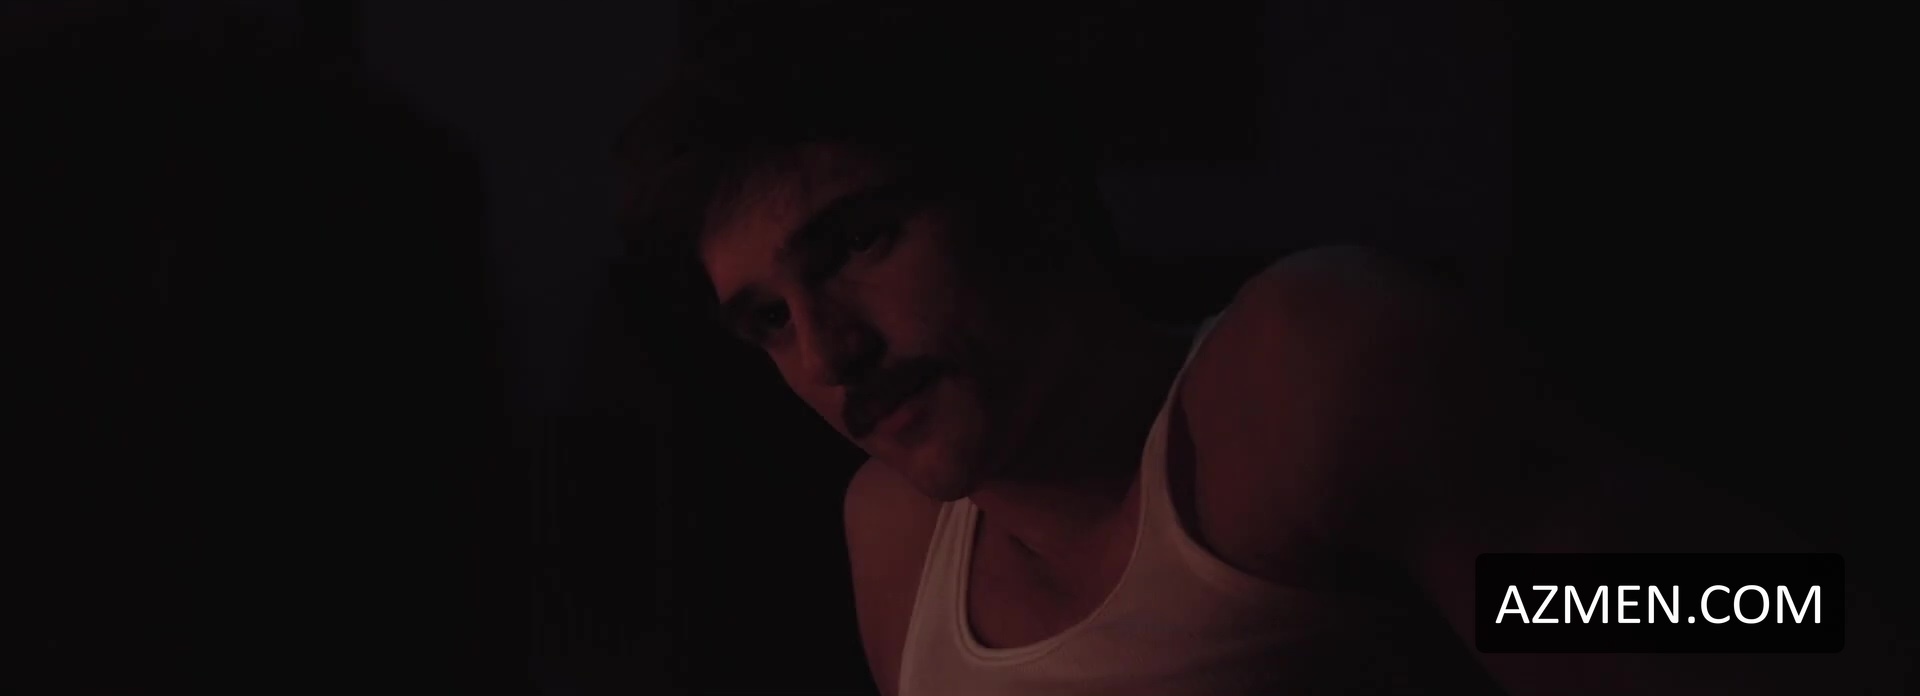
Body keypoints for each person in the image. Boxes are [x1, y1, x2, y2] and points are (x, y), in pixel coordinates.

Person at [615, 4, 1894, 694]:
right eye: (766, 319)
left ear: (1021, 186)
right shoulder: (894, 538)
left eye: (858, 242)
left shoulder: (1297, 388)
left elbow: (1782, 617)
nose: (827, 352)